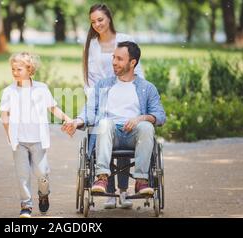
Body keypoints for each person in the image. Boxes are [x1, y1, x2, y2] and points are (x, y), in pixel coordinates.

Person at [62, 41, 166, 199]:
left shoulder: (147, 88)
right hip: (109, 134)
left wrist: (140, 118)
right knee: (104, 123)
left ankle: (141, 180)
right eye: (113, 57)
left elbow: (160, 115)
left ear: (133, 63)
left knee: (146, 127)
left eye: (119, 59)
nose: (114, 62)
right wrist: (76, 122)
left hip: (134, 135)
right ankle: (102, 177)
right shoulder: (103, 85)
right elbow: (89, 111)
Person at [82, 3, 145, 209]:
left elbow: (138, 70)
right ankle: (108, 191)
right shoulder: (92, 44)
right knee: (103, 132)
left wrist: (139, 96)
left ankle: (124, 191)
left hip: (126, 93)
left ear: (108, 18)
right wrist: (95, 101)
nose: (97, 24)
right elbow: (89, 77)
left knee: (124, 136)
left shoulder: (124, 40)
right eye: (93, 21)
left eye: (100, 19)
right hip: (101, 96)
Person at [0, 52, 72, 218]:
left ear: (30, 70)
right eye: (13, 69)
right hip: (19, 141)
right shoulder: (9, 91)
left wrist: (67, 118)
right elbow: (4, 116)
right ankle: (26, 205)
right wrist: (9, 136)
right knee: (22, 175)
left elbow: (52, 108)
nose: (15, 72)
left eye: (19, 69)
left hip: (38, 140)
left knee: (42, 173)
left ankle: (44, 193)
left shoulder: (41, 89)